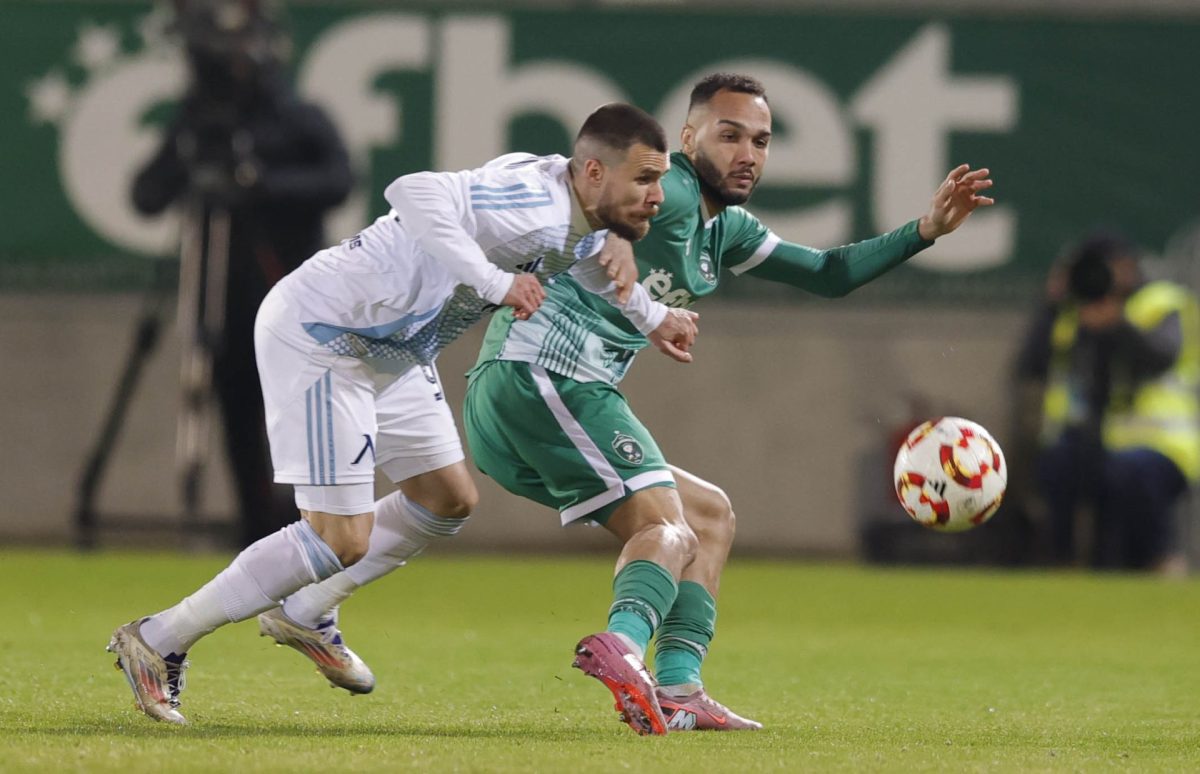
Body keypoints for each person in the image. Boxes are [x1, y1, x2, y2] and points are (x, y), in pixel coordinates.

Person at [268, 73, 995, 735]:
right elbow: (603, 193)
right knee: (665, 527)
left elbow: (830, 273)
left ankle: (679, 688)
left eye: (762, 140)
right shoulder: (668, 188)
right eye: (730, 135)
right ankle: (620, 645)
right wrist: (613, 237)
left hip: (532, 399)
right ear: (688, 138)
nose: (747, 153)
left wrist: (924, 231)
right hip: (544, 376)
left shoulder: (725, 230)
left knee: (707, 516)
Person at [107, 101, 700, 725]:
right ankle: (157, 639)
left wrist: (656, 318)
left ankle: (305, 612)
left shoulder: (581, 213)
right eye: (645, 179)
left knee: (445, 499)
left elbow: (593, 268)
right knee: (340, 538)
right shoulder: (532, 202)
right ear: (594, 172)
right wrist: (494, 283)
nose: (657, 196)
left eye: (659, 179)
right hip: (326, 334)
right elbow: (412, 191)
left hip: (396, 348)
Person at [132, 0, 353, 544]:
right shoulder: (196, 123)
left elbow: (338, 180)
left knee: (297, 416)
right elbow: (146, 195)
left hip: (293, 298)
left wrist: (260, 185)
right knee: (237, 409)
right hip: (224, 303)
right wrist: (193, 164)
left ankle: (306, 521)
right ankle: (257, 527)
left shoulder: (298, 119)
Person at [1014, 230, 1200, 573]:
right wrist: (1052, 303)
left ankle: (1162, 561)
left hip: (1162, 444)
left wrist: (1118, 324)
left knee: (1130, 473)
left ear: (1128, 265)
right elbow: (1031, 365)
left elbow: (1163, 356)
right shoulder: (1074, 311)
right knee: (1056, 464)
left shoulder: (1161, 301)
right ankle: (1064, 563)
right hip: (1092, 438)